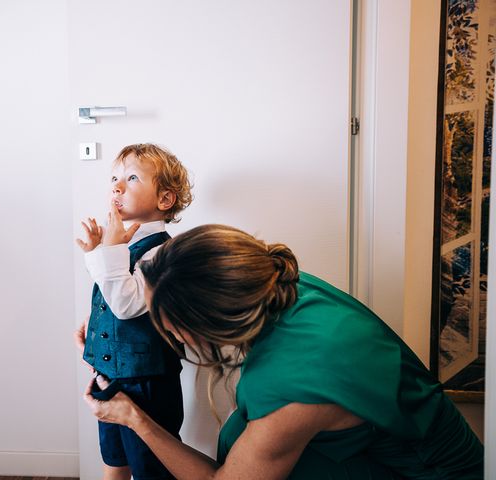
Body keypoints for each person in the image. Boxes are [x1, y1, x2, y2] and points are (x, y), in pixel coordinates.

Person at [83, 224, 484, 479]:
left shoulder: (295, 394)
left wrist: (135, 419)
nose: (162, 331)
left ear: (206, 322)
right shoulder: (276, 283)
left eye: (165, 324)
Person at [74, 143, 193, 480]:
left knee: (149, 466)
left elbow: (126, 305)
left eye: (131, 178)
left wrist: (108, 250)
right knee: (114, 457)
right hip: (111, 373)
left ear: (164, 200)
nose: (116, 186)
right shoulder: (122, 244)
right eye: (114, 178)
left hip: (147, 380)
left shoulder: (163, 253)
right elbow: (110, 293)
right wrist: (98, 251)